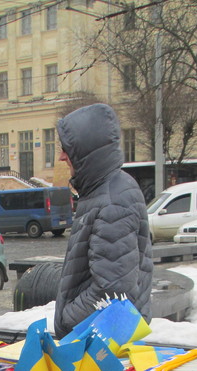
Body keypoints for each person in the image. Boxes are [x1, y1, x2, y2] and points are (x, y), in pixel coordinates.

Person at [53, 103, 153, 339]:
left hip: (101, 339)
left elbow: (113, 290)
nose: (61, 156)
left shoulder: (112, 200)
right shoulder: (103, 190)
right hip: (99, 334)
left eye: (68, 148)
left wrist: (67, 320)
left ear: (86, 151)